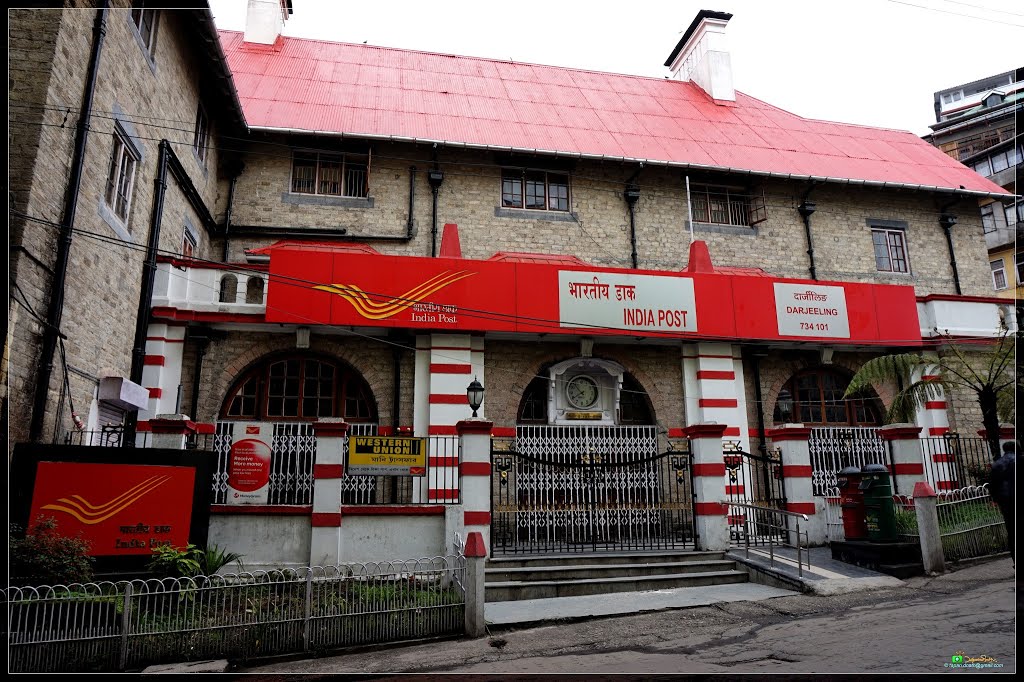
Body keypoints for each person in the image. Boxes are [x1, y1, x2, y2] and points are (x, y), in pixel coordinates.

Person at [989, 440, 1016, 561]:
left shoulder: (997, 464)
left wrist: (995, 499)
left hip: (1006, 502)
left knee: (1011, 531)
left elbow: (992, 484)